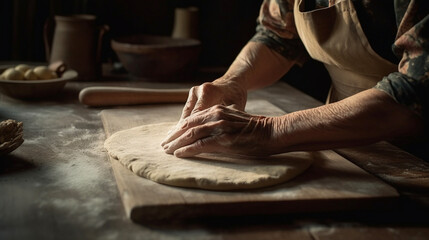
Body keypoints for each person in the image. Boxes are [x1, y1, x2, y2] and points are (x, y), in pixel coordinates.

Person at [161, 0, 428, 159]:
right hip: (334, 138)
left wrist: (270, 130)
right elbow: (277, 36)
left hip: (416, 155)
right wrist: (232, 81)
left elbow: (416, 90)